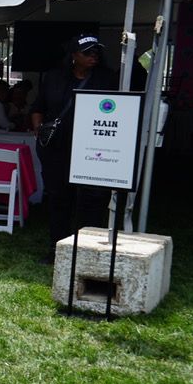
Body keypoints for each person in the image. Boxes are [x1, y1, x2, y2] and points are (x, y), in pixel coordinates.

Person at [30, 33, 116, 264]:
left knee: (92, 199)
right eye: (87, 52)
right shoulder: (55, 78)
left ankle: (87, 250)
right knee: (59, 199)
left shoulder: (107, 79)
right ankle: (58, 248)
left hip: (92, 149)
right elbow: (38, 107)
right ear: (73, 56)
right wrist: (39, 130)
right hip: (57, 149)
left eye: (96, 51)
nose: (93, 56)